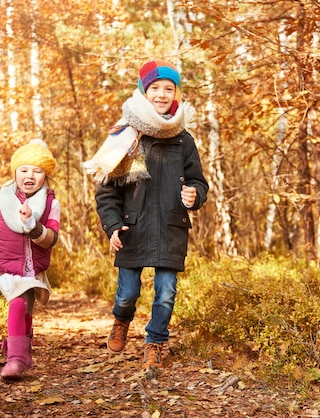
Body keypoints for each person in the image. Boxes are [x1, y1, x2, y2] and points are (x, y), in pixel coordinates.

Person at [83, 59, 209, 370]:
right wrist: (112, 226)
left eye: (169, 88)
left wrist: (195, 194)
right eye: (156, 88)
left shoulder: (183, 139)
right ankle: (121, 320)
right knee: (127, 293)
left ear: (176, 93)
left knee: (166, 293)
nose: (163, 94)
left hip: (170, 225)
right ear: (144, 91)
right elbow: (107, 192)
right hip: (132, 229)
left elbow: (198, 181)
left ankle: (155, 343)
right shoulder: (126, 135)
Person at [0, 139, 60, 381]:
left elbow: (51, 239)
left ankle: (21, 350)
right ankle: (16, 359)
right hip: (9, 267)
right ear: (15, 172)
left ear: (45, 176)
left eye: (37, 171)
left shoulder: (51, 203)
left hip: (34, 270)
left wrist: (32, 224)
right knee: (17, 304)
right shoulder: (1, 199)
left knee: (25, 310)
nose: (30, 175)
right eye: (24, 169)